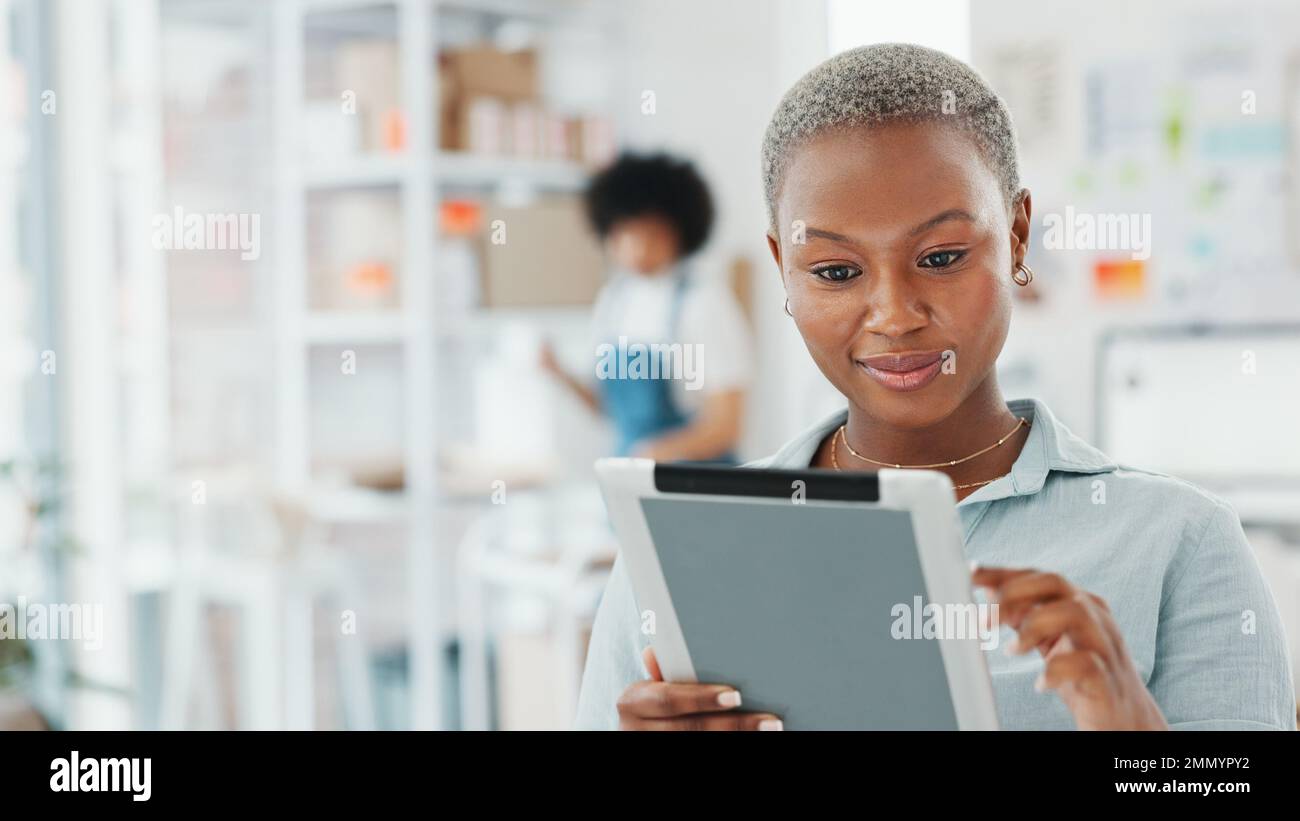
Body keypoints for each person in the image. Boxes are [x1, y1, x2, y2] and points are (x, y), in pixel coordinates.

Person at [574, 44, 1295, 730]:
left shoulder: (1180, 540)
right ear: (783, 271)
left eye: (942, 256)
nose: (893, 314)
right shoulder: (671, 558)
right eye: (834, 271)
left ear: (1017, 236)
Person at [540, 153, 751, 463]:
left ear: (679, 231)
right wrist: (560, 373)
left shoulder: (703, 302)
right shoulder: (613, 302)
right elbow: (610, 410)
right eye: (624, 234)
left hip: (694, 482)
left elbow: (726, 426)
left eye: (650, 234)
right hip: (630, 475)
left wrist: (660, 453)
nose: (637, 248)